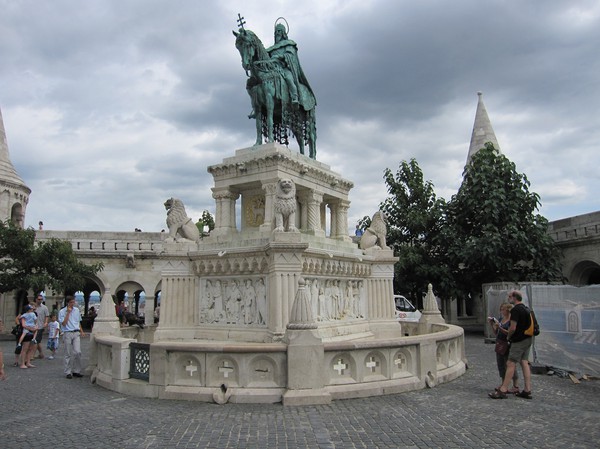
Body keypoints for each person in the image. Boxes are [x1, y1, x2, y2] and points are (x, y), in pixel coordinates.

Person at [489, 290, 533, 399]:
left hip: (519, 340)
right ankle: (527, 389)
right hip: (528, 338)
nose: (508, 298)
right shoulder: (526, 308)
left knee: (510, 363)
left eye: (509, 296)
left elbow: (512, 328)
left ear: (514, 297)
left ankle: (503, 390)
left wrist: (509, 337)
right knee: (524, 362)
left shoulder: (516, 310)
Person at [266, 22, 314, 107]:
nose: (277, 33)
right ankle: (258, 105)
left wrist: (280, 56)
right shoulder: (270, 49)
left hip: (284, 68)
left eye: (279, 31)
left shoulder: (289, 44)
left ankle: (294, 97)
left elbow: (290, 55)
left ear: (284, 33)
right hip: (272, 69)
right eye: (276, 31)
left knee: (289, 78)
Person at [489, 302, 519, 394]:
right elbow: (496, 333)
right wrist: (492, 324)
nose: (501, 311)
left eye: (503, 309)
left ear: (508, 310)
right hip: (499, 343)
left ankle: (515, 385)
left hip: (508, 344)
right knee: (501, 364)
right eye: (501, 309)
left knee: (510, 365)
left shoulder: (511, 321)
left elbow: (510, 332)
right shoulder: (501, 319)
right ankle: (503, 384)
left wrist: (501, 328)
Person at [58, 296, 86, 379]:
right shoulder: (62, 311)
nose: (73, 304)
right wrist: (68, 313)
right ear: (67, 303)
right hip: (67, 332)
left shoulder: (77, 310)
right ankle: (68, 372)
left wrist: (81, 331)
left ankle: (76, 370)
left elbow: (78, 322)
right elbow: (63, 323)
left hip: (76, 332)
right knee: (68, 353)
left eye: (74, 302)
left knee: (78, 352)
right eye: (71, 302)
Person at [18, 304, 38, 369]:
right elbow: (23, 325)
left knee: (30, 349)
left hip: (30, 332)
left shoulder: (31, 315)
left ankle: (28, 362)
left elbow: (35, 322)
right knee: (25, 349)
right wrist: (32, 328)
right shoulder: (25, 316)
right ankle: (23, 363)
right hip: (28, 333)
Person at [33, 294, 50, 359]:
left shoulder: (44, 307)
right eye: (39, 299)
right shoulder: (33, 307)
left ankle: (32, 355)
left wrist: (46, 322)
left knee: (36, 340)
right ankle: (41, 353)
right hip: (32, 326)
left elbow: (47, 316)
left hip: (40, 326)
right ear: (36, 299)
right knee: (37, 341)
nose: (40, 300)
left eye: (41, 299)